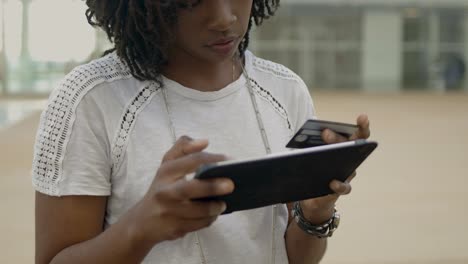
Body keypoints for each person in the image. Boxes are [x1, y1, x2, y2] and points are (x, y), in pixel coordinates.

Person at [33, 1, 371, 263]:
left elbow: (293, 256)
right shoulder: (90, 100)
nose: (224, 18)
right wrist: (140, 227)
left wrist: (313, 214)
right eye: (193, 0)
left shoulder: (285, 91)